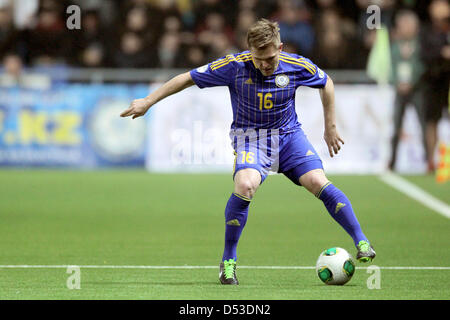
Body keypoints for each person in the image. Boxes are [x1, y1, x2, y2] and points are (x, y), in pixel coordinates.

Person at [120, 19, 376, 285]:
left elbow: (327, 83)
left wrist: (330, 127)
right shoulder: (233, 66)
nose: (265, 64)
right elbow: (187, 78)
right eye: (259, 58)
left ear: (280, 47)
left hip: (289, 137)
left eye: (270, 57)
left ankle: (361, 241)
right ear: (249, 51)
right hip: (250, 138)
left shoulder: (297, 65)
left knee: (317, 181)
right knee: (245, 185)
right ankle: (228, 260)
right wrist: (148, 101)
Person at [388, 10, 427, 171]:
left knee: (423, 124)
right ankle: (392, 162)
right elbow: (389, 68)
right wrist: (397, 83)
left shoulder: (421, 45)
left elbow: (423, 66)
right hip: (399, 90)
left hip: (417, 89)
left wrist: (412, 82)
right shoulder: (394, 46)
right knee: (396, 126)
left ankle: (429, 159)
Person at [420, 0, 450, 172]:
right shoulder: (427, 31)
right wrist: (441, 53)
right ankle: (432, 160)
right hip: (433, 82)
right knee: (432, 121)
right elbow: (424, 55)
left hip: (448, 81)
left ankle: (445, 161)